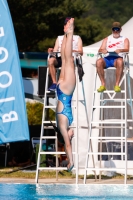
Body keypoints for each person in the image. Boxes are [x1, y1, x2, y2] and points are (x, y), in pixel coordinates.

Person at [52, 18, 75, 172]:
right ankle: (66, 35)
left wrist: (70, 162)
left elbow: (67, 145)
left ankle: (70, 31)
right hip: (60, 90)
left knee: (69, 61)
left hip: (65, 92)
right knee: (66, 60)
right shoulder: (64, 124)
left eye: (69, 135)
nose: (72, 135)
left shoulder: (62, 128)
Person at [48, 17, 83, 91]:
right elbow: (55, 51)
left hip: (71, 59)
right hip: (61, 58)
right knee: (51, 60)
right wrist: (51, 51)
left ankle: (68, 81)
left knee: (70, 59)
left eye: (69, 25)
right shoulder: (59, 38)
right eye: (66, 25)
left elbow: (81, 51)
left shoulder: (77, 38)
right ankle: (54, 82)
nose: (66, 26)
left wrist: (71, 51)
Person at [96, 21, 130, 92]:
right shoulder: (107, 39)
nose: (115, 31)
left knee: (120, 62)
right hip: (107, 59)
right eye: (114, 29)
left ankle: (117, 85)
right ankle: (103, 84)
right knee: (98, 62)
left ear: (120, 30)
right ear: (112, 30)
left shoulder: (124, 39)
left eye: (117, 29)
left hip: (117, 59)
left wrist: (120, 50)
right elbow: (100, 49)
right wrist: (103, 50)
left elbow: (127, 49)